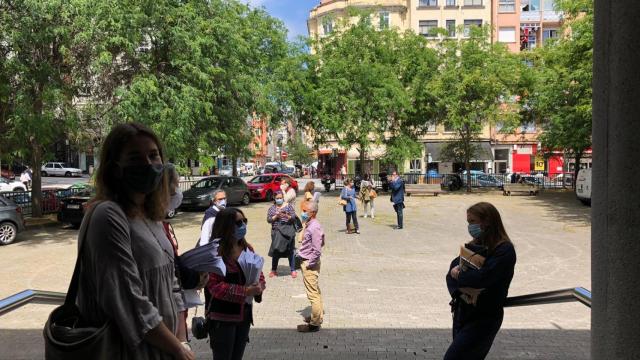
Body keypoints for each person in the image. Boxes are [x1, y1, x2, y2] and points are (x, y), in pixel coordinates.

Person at [76, 122, 194, 360]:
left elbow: (171, 283)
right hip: (129, 351)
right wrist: (178, 349)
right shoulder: (107, 215)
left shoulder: (151, 215)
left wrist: (182, 340)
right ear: (115, 167)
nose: (148, 165)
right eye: (134, 158)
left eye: (153, 155)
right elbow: (128, 300)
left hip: (164, 349)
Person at [444, 202, 517, 360]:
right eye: (468, 222)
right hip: (463, 311)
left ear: (487, 221)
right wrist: (459, 283)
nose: (470, 227)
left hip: (484, 317)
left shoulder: (504, 250)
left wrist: (460, 277)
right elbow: (451, 271)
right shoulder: (475, 244)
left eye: (472, 222)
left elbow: (483, 278)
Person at [206, 207, 266, 360]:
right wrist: (245, 291)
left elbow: (259, 273)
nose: (243, 226)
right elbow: (214, 287)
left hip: (244, 316)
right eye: (238, 222)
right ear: (226, 226)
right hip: (222, 319)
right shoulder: (215, 253)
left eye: (244, 221)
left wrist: (259, 286)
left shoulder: (247, 248)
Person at [296, 200, 325, 333]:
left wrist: (309, 263)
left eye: (304, 211)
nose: (302, 213)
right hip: (308, 260)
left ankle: (314, 324)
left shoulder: (314, 227)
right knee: (315, 291)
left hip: (309, 263)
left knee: (312, 294)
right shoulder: (311, 224)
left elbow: (317, 249)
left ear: (312, 213)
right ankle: (317, 316)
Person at [267, 192, 298, 278]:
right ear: (274, 198)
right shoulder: (272, 208)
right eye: (277, 198)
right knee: (275, 251)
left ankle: (293, 270)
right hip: (276, 233)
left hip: (288, 232)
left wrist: (286, 215)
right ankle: (273, 270)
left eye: (280, 197)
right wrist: (275, 216)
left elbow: (293, 218)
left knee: (290, 251)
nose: (279, 199)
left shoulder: (288, 206)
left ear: (283, 198)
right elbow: (269, 220)